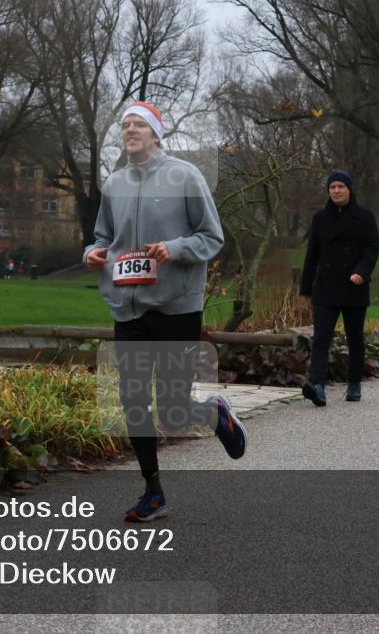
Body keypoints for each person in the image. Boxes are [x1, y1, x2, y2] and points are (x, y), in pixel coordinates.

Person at [83, 100, 247, 523]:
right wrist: (94, 253)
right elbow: (101, 236)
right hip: (128, 308)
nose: (130, 130)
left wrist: (173, 250)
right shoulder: (114, 184)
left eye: (139, 125)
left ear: (157, 135)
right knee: (133, 400)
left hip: (176, 306)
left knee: (172, 406)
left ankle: (215, 415)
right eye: (125, 125)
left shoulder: (186, 177)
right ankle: (153, 492)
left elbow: (212, 238)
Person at [299, 169, 379, 405]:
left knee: (355, 338)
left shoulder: (365, 217)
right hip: (325, 287)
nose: (336, 191)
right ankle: (318, 386)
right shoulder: (320, 218)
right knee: (321, 338)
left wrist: (361, 273)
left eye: (340, 187)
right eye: (332, 187)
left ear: (349, 190)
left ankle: (354, 384)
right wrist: (305, 288)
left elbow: (372, 249)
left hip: (354, 286)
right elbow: (312, 254)